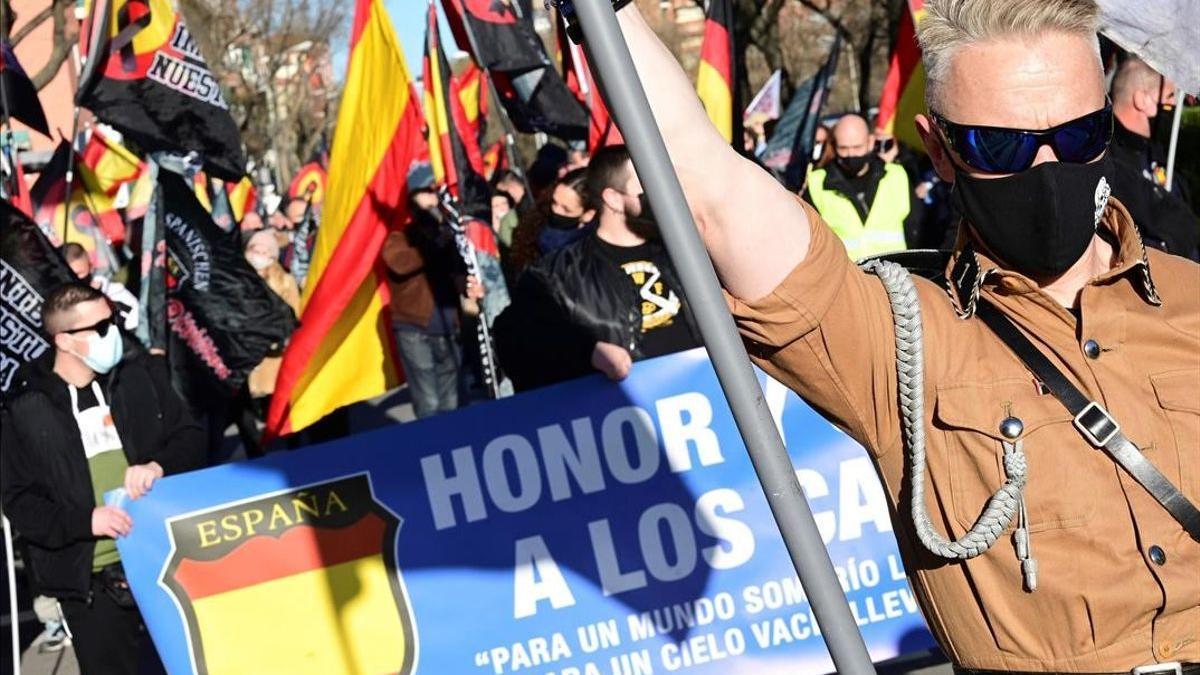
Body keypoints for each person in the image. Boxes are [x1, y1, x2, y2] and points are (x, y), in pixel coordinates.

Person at [606, 0, 1198, 671]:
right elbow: (704, 181)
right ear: (941, 150)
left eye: (1078, 133)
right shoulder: (895, 341)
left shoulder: (1193, 297)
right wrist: (606, 10)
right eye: (999, 145)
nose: (1045, 164)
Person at [1, 282, 205, 674]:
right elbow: (20, 502)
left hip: (166, 560)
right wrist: (86, 521)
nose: (112, 332)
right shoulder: (24, 407)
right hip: (90, 581)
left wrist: (157, 466)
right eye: (100, 327)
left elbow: (191, 437)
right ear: (64, 340)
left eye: (112, 321)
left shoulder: (139, 375)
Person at [494, 145, 700, 391]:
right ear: (613, 199)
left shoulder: (685, 251)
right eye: (644, 183)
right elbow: (513, 340)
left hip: (707, 403)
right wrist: (587, 352)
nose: (657, 191)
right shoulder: (558, 273)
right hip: (627, 415)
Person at [381, 188, 482, 418]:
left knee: (453, 398)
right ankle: (432, 447)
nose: (431, 215)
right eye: (424, 210)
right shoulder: (399, 237)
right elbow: (399, 264)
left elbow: (459, 271)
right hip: (414, 327)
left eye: (434, 209)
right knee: (428, 400)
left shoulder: (446, 236)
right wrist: (432, 244)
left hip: (447, 325)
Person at [1110, 56, 1199, 260]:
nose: (1175, 104)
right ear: (1142, 100)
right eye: (1169, 96)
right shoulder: (1108, 160)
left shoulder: (1154, 152)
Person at [803, 113, 921, 260]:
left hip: (896, 275)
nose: (850, 154)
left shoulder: (896, 175)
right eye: (843, 148)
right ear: (834, 144)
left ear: (870, 142)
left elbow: (916, 228)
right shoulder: (817, 182)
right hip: (847, 277)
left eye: (857, 147)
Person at [238, 229, 301, 455]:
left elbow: (293, 317)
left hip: (274, 362)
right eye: (255, 249)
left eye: (265, 251)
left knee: (280, 409)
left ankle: (293, 452)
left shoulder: (285, 281)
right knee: (248, 415)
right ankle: (256, 454)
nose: (259, 255)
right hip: (245, 361)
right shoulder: (237, 280)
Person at [506, 168, 594, 277]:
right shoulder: (534, 225)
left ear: (588, 215)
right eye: (554, 202)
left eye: (566, 209)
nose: (556, 211)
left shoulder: (588, 256)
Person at [63, 242, 140, 332]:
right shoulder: (64, 311)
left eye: (80, 273)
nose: (78, 279)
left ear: (90, 265)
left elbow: (134, 325)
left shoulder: (115, 293)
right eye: (73, 276)